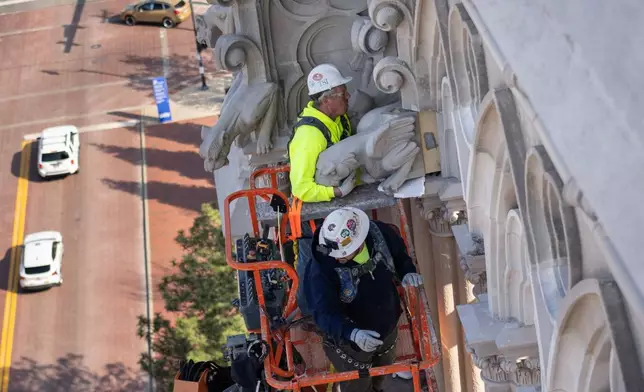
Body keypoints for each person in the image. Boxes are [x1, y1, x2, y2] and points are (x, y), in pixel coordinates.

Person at [304, 207, 423, 392]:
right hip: (349, 345)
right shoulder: (321, 269)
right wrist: (353, 333)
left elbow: (399, 254)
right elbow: (323, 312)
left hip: (387, 328)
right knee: (358, 386)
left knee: (382, 376)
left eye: (344, 254)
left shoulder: (380, 235)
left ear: (358, 243)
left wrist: (407, 271)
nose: (338, 258)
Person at [288, 64, 359, 203]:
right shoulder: (309, 136)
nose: (348, 96)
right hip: (322, 207)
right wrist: (337, 192)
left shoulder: (339, 117)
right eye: (343, 94)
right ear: (326, 100)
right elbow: (301, 189)